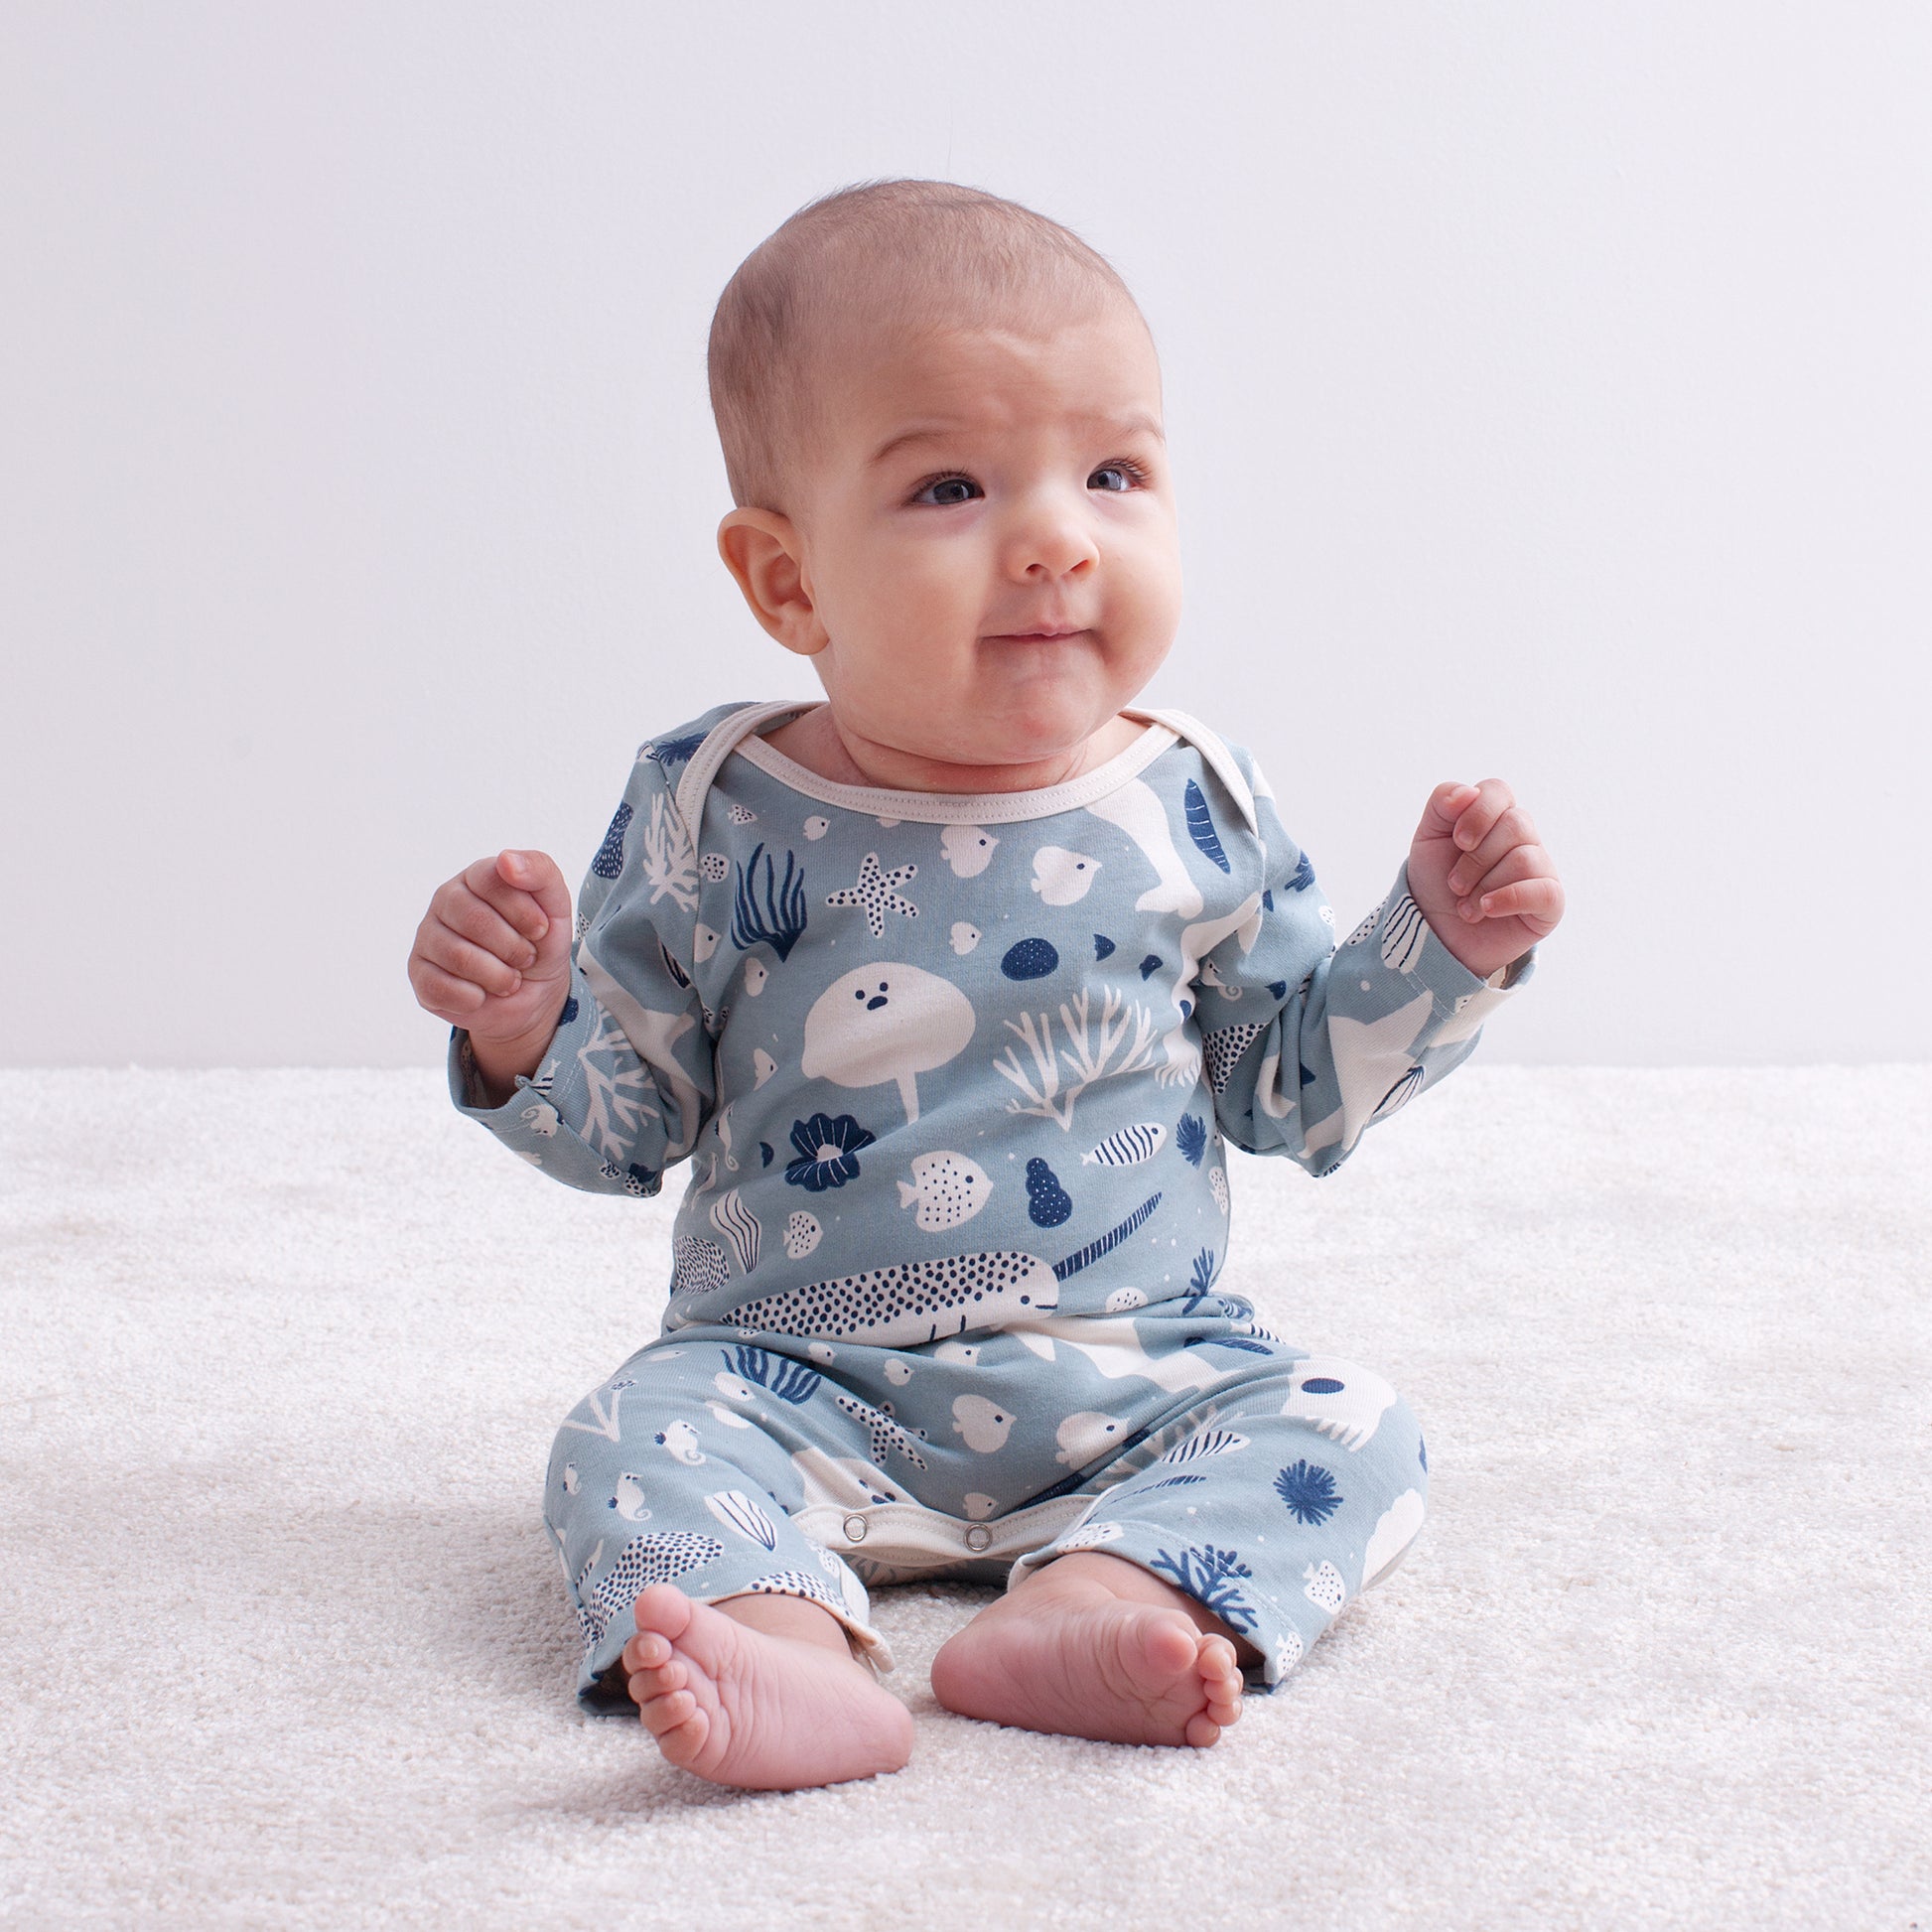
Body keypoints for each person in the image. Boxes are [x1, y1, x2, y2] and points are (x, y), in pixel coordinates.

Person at [407, 180, 1565, 1791]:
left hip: (1142, 1374)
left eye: (1113, 473)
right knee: (621, 1439)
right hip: (789, 1379)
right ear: (788, 582)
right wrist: (524, 1023)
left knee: (1354, 1424)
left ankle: (1107, 1596)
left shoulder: (1193, 799)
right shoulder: (711, 806)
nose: (1056, 538)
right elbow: (630, 1128)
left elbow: (1288, 1092)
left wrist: (1434, 941)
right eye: (950, 486)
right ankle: (776, 1635)